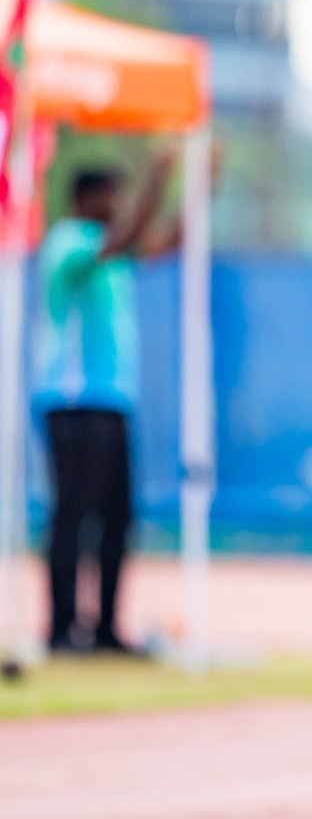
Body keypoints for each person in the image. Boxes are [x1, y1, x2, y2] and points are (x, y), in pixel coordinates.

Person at [32, 152, 182, 654]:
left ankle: (105, 629)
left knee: (117, 519)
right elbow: (131, 234)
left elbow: (164, 242)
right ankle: (61, 628)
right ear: (84, 199)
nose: (116, 204)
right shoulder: (69, 243)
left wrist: (198, 188)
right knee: (73, 516)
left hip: (114, 400)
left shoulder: (113, 249)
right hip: (75, 402)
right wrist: (158, 175)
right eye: (110, 195)